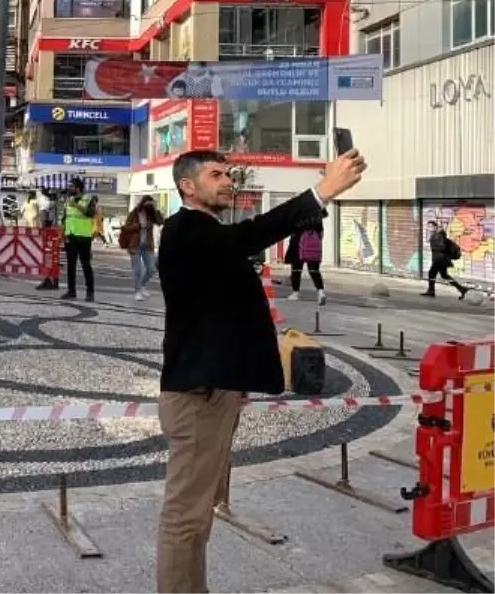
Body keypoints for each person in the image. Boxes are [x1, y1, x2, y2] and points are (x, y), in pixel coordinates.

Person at [153, 147, 365, 594]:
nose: (228, 181)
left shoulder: (209, 235)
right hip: (197, 396)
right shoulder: (184, 229)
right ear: (188, 187)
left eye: (229, 174)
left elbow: (224, 311)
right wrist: (322, 191)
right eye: (216, 175)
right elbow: (254, 234)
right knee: (185, 514)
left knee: (199, 510)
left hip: (216, 389)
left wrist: (240, 377)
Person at [120, 195, 164, 302]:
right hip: (135, 245)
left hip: (147, 245)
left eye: (150, 204)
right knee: (137, 270)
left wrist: (155, 208)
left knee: (151, 269)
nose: (148, 206)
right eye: (147, 204)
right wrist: (137, 226)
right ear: (143, 203)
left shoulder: (151, 214)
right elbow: (125, 228)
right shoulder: (134, 213)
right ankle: (137, 291)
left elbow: (160, 221)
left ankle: (143, 284)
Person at [61, 178, 98, 302]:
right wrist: (63, 233)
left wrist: (76, 205)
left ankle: (90, 292)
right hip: (70, 236)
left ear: (78, 188)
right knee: (71, 265)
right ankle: (71, 291)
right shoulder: (67, 200)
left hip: (83, 237)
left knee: (86, 264)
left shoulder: (88, 199)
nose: (68, 188)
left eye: (71, 186)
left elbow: (91, 214)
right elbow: (65, 218)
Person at [284, 212, 327, 305]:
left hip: (298, 245)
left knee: (296, 270)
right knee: (314, 271)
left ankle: (295, 293)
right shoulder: (317, 216)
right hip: (313, 245)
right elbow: (321, 233)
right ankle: (320, 292)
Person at [423, 219, 470, 300]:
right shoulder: (436, 234)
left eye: (430, 226)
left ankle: (431, 291)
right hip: (440, 259)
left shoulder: (440, 234)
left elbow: (442, 246)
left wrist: (434, 248)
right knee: (444, 275)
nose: (428, 228)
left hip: (440, 259)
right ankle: (462, 289)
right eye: (427, 227)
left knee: (432, 273)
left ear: (435, 226)